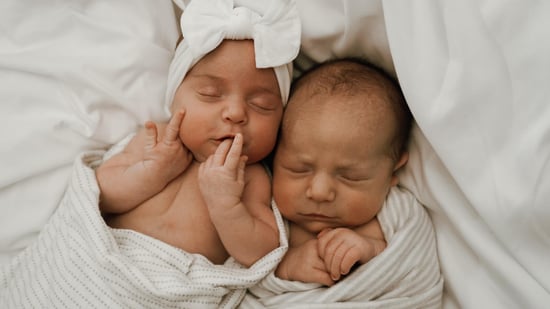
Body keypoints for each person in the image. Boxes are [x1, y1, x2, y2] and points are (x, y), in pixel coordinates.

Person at [95, 0, 300, 268]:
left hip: (174, 284)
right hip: (104, 263)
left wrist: (226, 206)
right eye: (210, 94)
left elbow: (262, 254)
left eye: (261, 105)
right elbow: (100, 195)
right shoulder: (154, 137)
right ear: (174, 100)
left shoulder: (251, 177)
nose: (235, 113)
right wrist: (151, 172)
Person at [241, 58, 442, 308]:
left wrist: (371, 250)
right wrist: (288, 266)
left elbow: (415, 271)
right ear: (274, 158)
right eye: (298, 169)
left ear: (392, 172)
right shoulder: (267, 214)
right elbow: (245, 272)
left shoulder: (398, 215)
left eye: (350, 176)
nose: (320, 192)